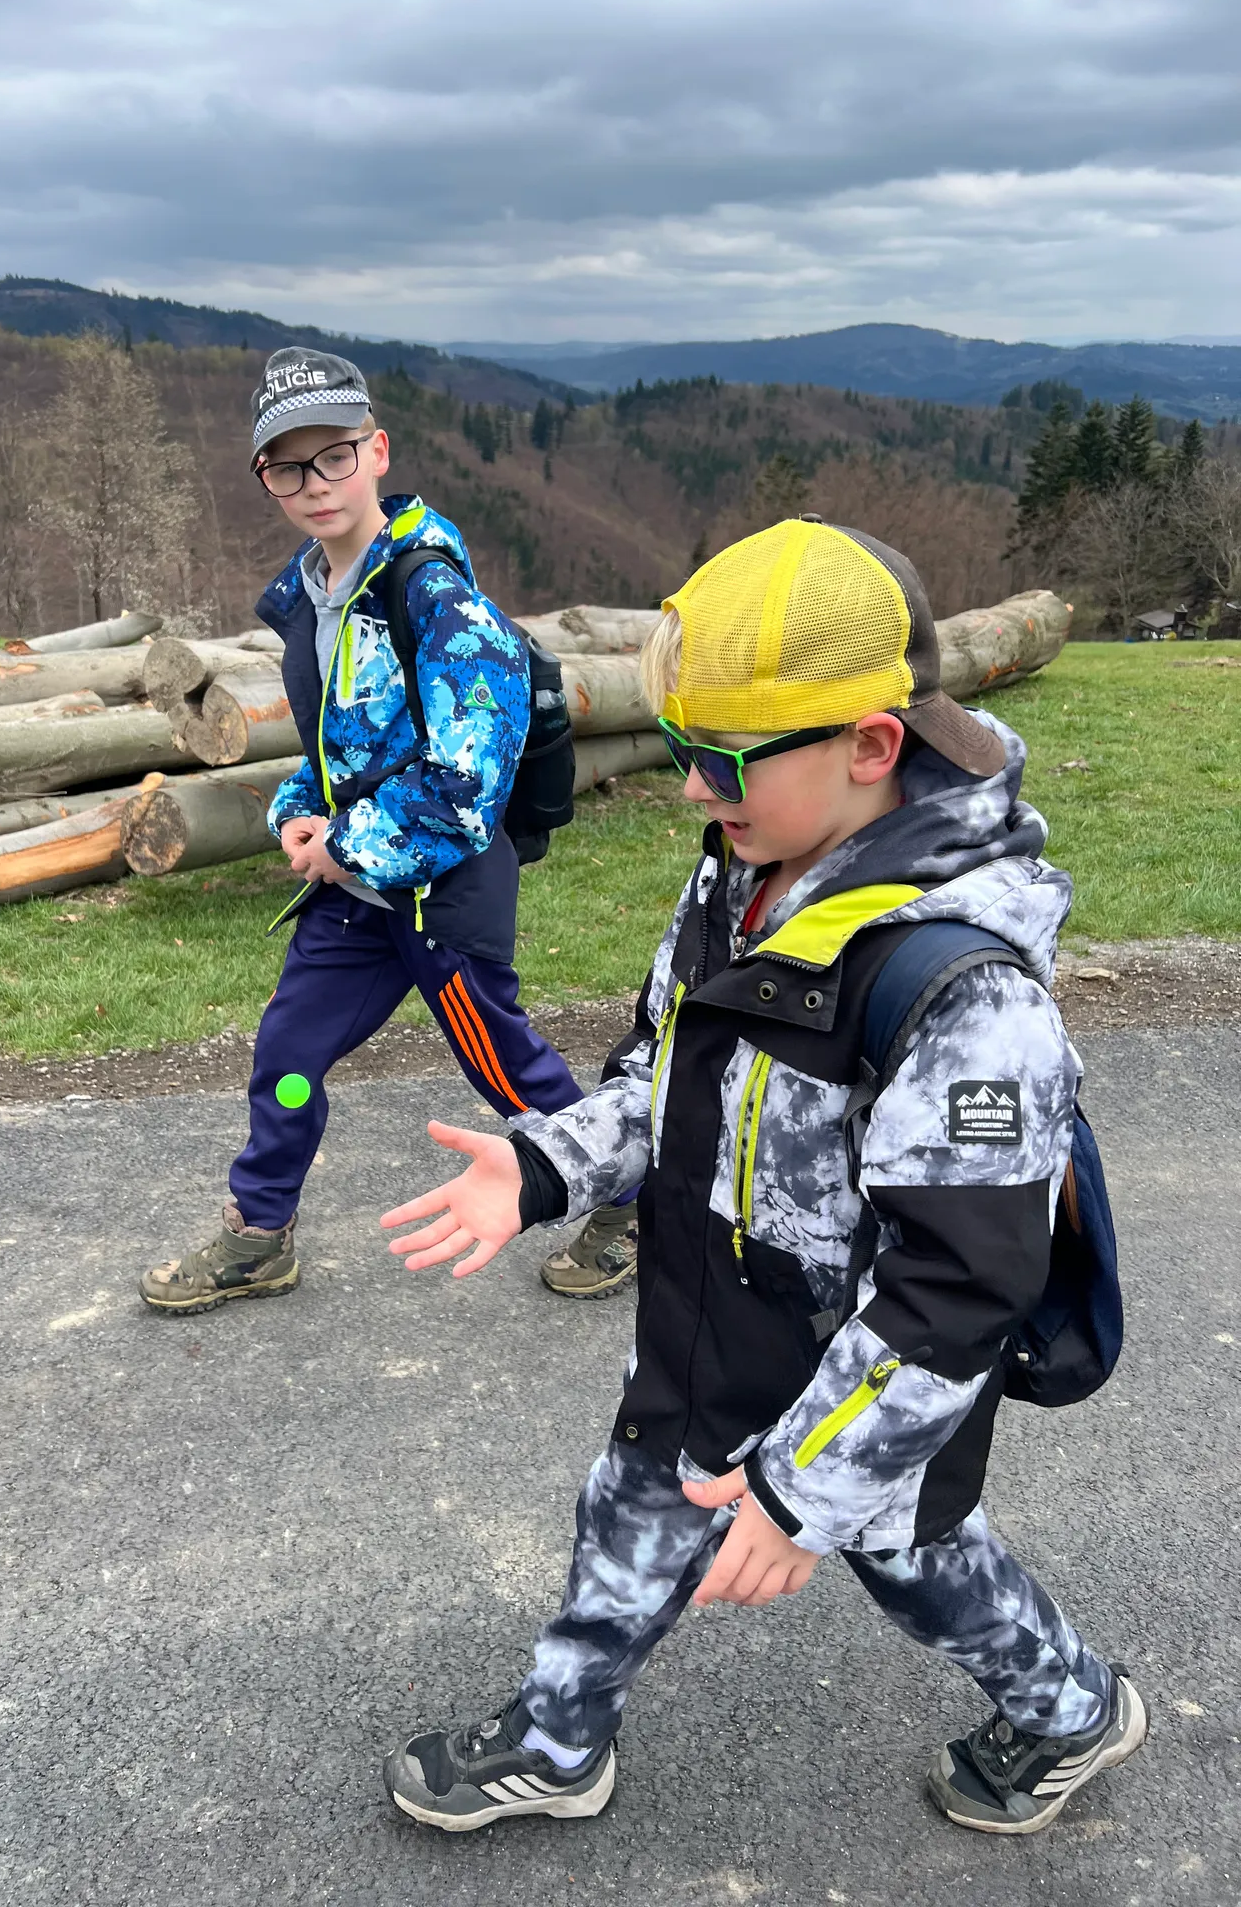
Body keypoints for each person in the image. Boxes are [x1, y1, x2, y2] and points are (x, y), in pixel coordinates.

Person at [378, 516, 1147, 1835]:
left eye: (722, 759)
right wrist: (542, 1166)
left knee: (919, 1565)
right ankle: (559, 1739)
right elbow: (664, 1078)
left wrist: (801, 1500)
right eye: (682, 748)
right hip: (708, 1324)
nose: (691, 789)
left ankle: (1072, 1709)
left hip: (860, 1391)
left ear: (870, 746)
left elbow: (956, 1294)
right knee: (631, 1507)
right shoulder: (741, 874)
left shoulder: (964, 994)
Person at [140, 347, 635, 1314]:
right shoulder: (314, 599)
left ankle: (629, 1193)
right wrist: (299, 813)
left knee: (509, 1072)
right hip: (356, 898)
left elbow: (469, 783)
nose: (315, 483)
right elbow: (346, 749)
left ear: (377, 451)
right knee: (287, 1058)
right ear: (265, 480)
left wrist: (347, 845)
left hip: (441, 896)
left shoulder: (435, 597)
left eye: (334, 456)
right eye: (288, 468)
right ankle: (258, 1233)